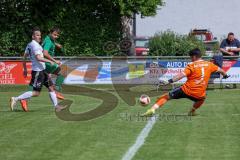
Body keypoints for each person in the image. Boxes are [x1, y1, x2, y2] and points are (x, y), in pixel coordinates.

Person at [141, 48, 229, 117]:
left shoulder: (191, 65)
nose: (191, 59)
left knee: (166, 96)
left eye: (191, 57)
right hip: (199, 93)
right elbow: (221, 70)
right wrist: (225, 75)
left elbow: (181, 75)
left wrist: (168, 81)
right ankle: (192, 111)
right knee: (202, 98)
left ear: (194, 56)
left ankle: (152, 109)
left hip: (186, 90)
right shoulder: (209, 64)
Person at [10, 27, 66, 112]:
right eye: (37, 35)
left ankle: (57, 107)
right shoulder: (35, 45)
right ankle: (16, 98)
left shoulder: (30, 44)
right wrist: (51, 61)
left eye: (40, 35)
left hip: (42, 70)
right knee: (36, 93)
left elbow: (24, 57)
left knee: (51, 87)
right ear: (33, 36)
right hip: (38, 72)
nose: (39, 37)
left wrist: (25, 69)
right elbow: (39, 57)